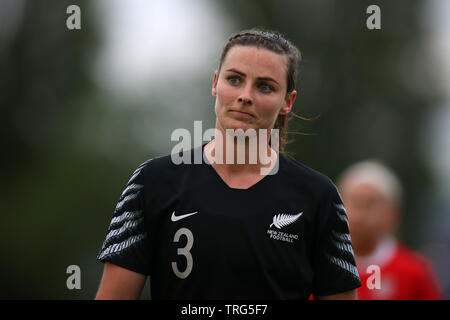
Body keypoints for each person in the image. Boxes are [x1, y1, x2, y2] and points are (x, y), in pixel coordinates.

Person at [95, 28, 361, 300]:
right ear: (215, 84)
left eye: (264, 86)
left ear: (287, 102)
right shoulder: (152, 182)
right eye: (234, 79)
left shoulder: (319, 196)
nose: (246, 95)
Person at [337, 160, 443, 300]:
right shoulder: (316, 266)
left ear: (393, 213)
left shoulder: (413, 272)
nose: (358, 216)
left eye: (370, 204)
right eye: (352, 202)